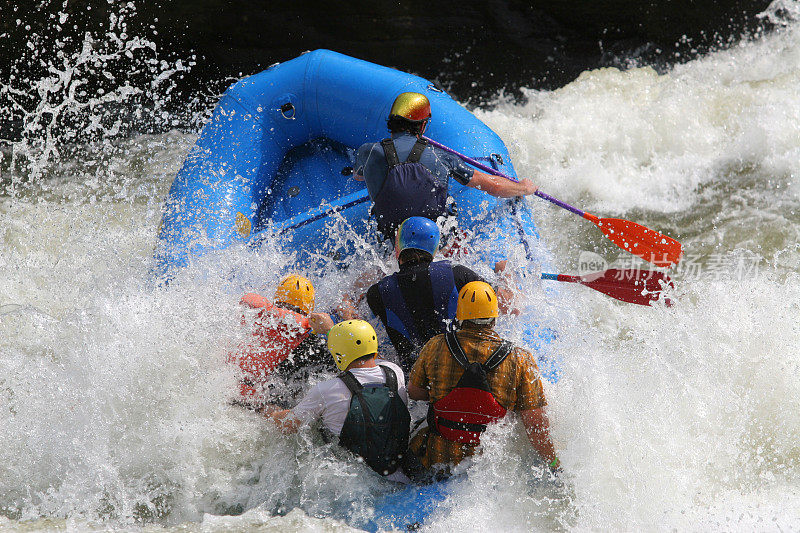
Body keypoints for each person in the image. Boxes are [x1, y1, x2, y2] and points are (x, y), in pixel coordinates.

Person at [407, 281, 559, 477]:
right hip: (487, 467)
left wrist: (443, 394)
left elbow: (414, 391)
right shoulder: (520, 358)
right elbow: (535, 424)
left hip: (435, 458)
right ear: (494, 317)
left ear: (459, 314)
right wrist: (554, 463)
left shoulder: (435, 345)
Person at [353, 91, 538, 241]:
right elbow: (493, 185)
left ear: (391, 122)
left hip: (393, 246)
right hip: (437, 247)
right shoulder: (440, 156)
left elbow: (358, 176)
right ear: (423, 126)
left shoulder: (367, 152)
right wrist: (523, 187)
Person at [261, 320, 418, 483]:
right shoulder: (395, 372)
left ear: (338, 354)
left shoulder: (326, 390)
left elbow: (287, 425)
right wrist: (332, 331)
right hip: (401, 477)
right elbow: (373, 361)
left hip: (356, 482)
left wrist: (264, 409)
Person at [229, 274, 335, 409]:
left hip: (236, 393)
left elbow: (248, 298)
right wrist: (328, 330)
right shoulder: (307, 338)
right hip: (268, 405)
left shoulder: (258, 316)